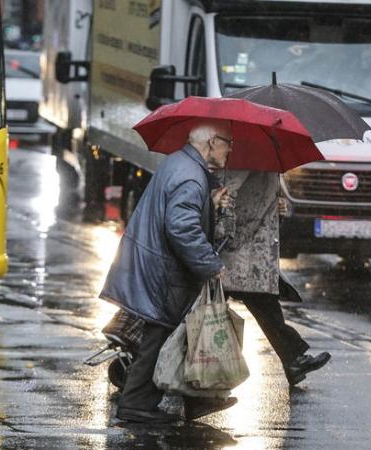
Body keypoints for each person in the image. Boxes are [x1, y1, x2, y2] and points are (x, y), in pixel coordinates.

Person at [100, 119, 237, 424]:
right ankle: (137, 404)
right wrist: (211, 265)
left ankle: (183, 399)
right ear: (212, 142)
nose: (230, 150)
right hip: (165, 272)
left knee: (167, 335)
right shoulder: (191, 176)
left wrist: (210, 203)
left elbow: (179, 214)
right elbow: (181, 228)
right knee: (160, 337)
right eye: (228, 143)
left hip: (158, 265)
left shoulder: (181, 164)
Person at [214, 170, 331, 386]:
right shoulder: (248, 159)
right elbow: (226, 194)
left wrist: (276, 209)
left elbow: (259, 197)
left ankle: (294, 361)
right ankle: (294, 360)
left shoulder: (267, 165)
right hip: (240, 250)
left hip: (253, 253)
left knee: (265, 307)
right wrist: (226, 231)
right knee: (207, 313)